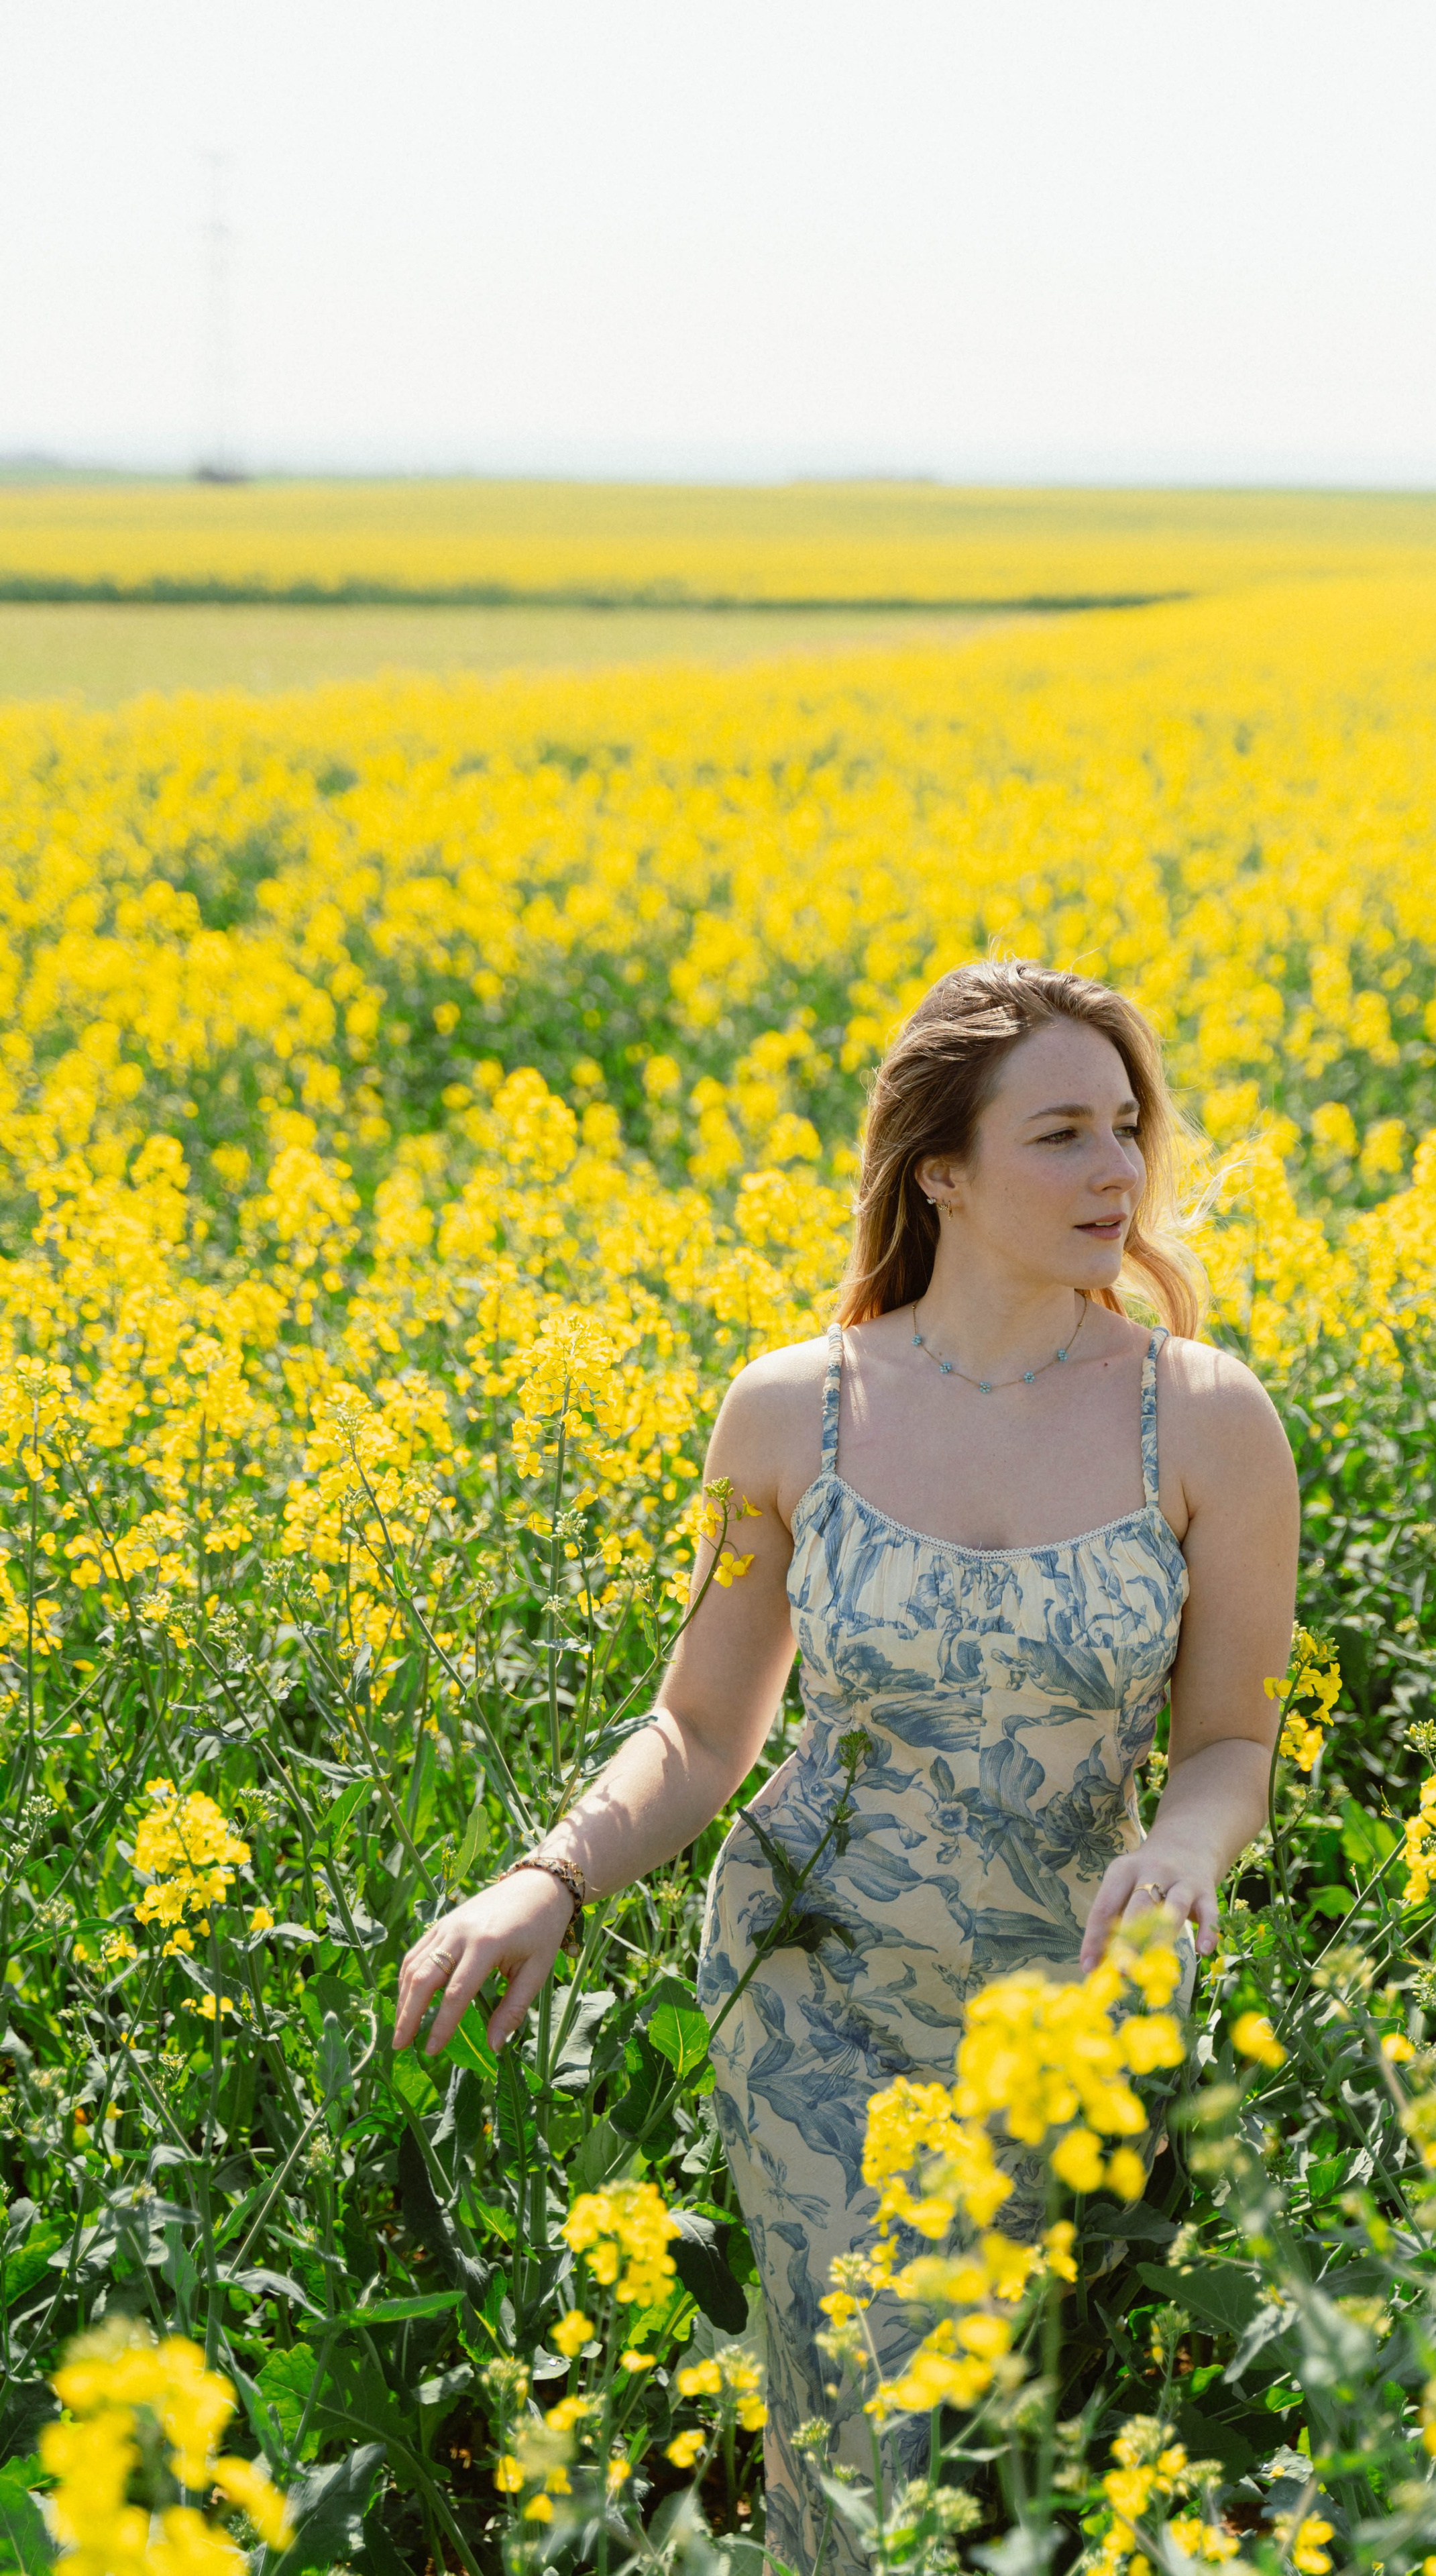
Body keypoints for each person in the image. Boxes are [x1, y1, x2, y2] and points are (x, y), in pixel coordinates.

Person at [394, 959, 1299, 2573]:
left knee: (1021, 2441)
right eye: (1062, 1135)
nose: (1117, 1173)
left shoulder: (1206, 1420)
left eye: (1127, 1129)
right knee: (858, 2412)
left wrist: (1182, 1852)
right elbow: (699, 1729)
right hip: (812, 1979)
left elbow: (1228, 1739)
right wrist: (547, 1876)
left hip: (1067, 2005)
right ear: (939, 1168)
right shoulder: (789, 1413)